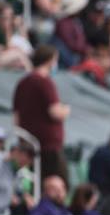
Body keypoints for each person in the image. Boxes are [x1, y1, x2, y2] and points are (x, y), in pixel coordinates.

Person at [12, 45, 70, 183]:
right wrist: (66, 110)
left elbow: (16, 117)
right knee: (57, 184)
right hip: (48, 145)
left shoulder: (22, 83)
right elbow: (55, 112)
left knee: (38, 184)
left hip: (29, 144)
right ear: (50, 60)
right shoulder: (44, 82)